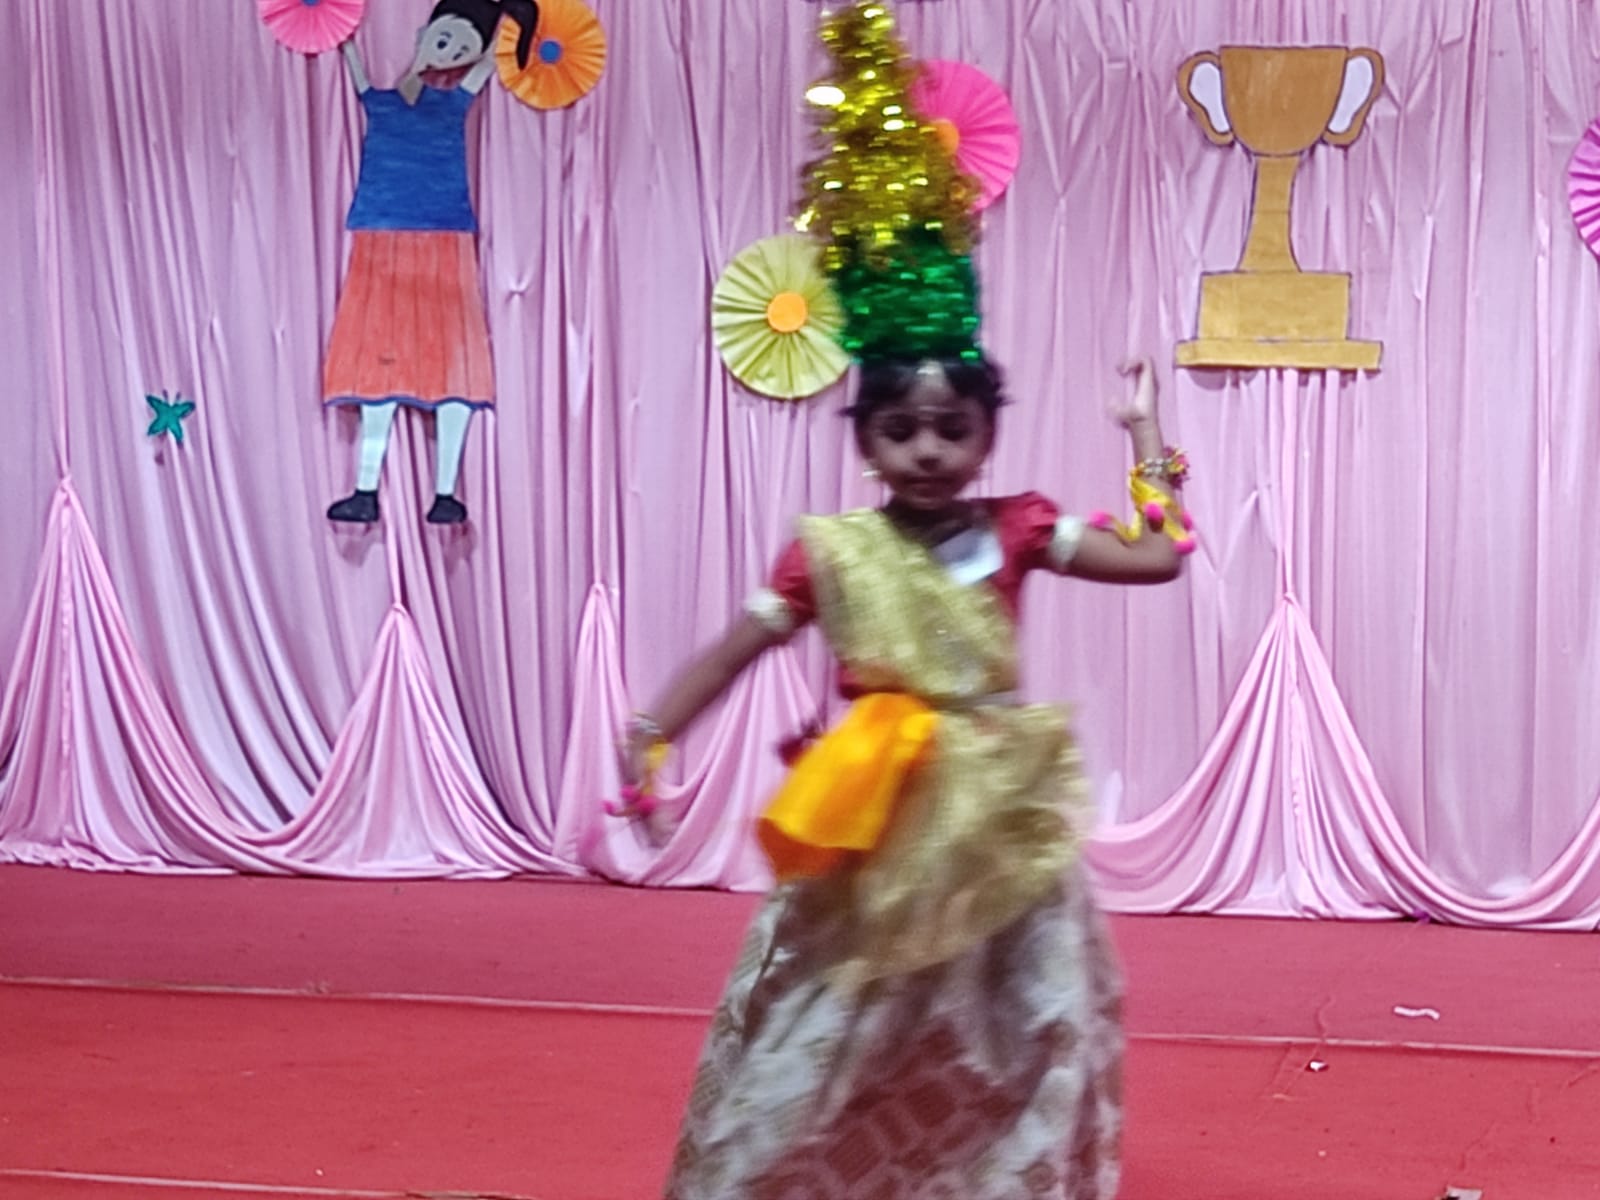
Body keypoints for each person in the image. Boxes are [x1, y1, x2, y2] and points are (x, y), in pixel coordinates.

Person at [617, 351, 1191, 1200]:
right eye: (901, 430)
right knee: (834, 1012)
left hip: (999, 827)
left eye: (953, 430)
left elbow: (1159, 557)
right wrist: (650, 736)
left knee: (1028, 1017)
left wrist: (1143, 430)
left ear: (987, 438)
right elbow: (732, 654)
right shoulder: (830, 553)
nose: (928, 450)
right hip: (877, 822)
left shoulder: (1018, 528)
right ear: (866, 444)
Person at [322, 0, 538, 526]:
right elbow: (354, 67)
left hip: (442, 236)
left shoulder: (454, 102)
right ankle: (366, 488)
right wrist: (342, 38)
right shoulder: (381, 100)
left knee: (449, 364)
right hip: (381, 236)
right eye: (444, 39)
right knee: (376, 363)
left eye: (462, 47)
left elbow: (485, 68)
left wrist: (509, 30)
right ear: (422, 35)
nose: (448, 52)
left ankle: (445, 492)